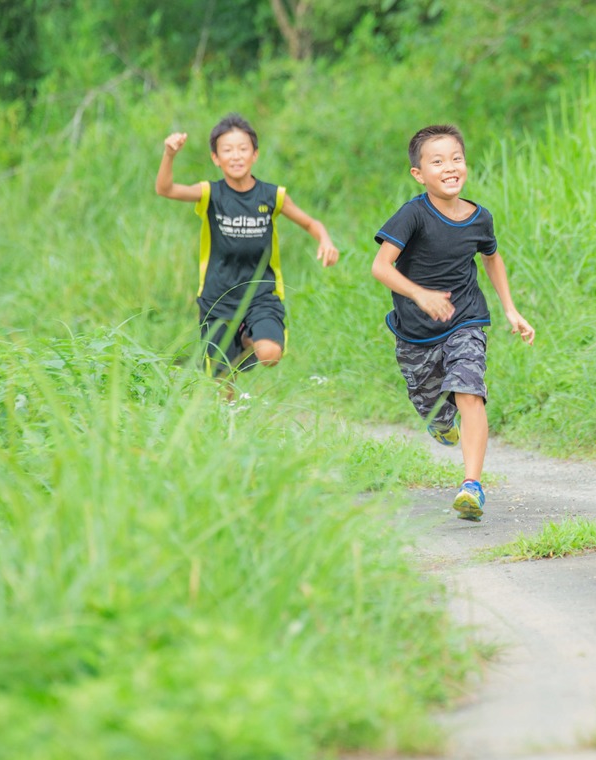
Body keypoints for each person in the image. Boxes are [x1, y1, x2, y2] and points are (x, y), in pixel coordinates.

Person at [371, 124, 535, 521]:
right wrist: (420, 294)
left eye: (456, 158)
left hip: (466, 319)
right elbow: (380, 266)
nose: (449, 167)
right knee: (430, 403)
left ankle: (472, 486)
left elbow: (492, 258)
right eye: (437, 161)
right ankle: (440, 421)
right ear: (419, 173)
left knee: (469, 389)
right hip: (415, 331)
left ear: (465, 164)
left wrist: (510, 309)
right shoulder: (413, 215)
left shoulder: (480, 218)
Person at [155, 113, 338, 387]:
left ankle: (245, 340)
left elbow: (311, 222)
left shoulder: (272, 195)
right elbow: (165, 189)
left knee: (271, 354)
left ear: (255, 154)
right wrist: (169, 154)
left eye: (243, 149)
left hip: (261, 294)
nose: (236, 156)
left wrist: (324, 239)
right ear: (216, 158)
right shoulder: (210, 194)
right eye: (227, 150)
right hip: (217, 298)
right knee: (222, 381)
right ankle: (228, 424)